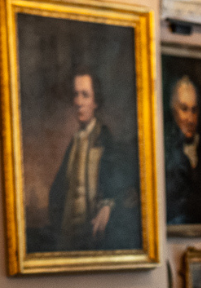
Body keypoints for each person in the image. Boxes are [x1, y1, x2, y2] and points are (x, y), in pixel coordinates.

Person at [48, 69, 139, 251]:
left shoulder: (106, 140)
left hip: (94, 239)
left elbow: (125, 190)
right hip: (68, 239)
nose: (78, 102)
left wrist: (108, 206)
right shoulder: (74, 142)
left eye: (85, 95)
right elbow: (58, 192)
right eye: (76, 95)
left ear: (95, 101)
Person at [164, 74, 201, 227]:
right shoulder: (165, 153)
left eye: (194, 110)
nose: (190, 119)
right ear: (173, 110)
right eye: (184, 109)